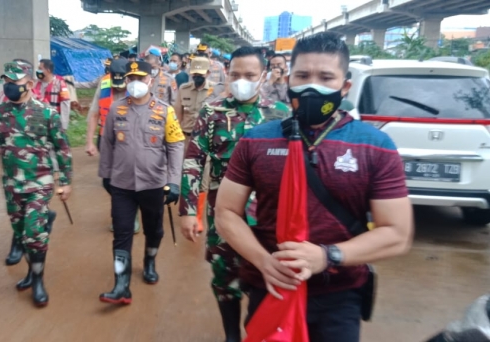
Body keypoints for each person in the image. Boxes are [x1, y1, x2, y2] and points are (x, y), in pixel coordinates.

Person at [215, 32, 414, 341]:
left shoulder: (375, 145)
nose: (312, 86)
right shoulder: (256, 140)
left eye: (325, 77)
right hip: (271, 287)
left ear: (345, 86)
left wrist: (328, 256)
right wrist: (264, 262)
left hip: (339, 296)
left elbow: (397, 234)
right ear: (288, 80)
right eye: (303, 75)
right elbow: (226, 211)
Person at [179, 47, 290, 342]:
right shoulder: (212, 112)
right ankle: (231, 335)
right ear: (227, 75)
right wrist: (189, 211)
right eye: (236, 75)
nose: (242, 81)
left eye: (250, 75)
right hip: (223, 216)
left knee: (265, 277)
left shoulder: (281, 115)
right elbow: (193, 161)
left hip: (266, 217)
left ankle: (258, 331)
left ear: (263, 76)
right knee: (224, 278)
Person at [0, 60, 73, 307]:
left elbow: (62, 148)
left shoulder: (46, 112)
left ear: (28, 83)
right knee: (20, 233)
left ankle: (38, 280)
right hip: (12, 185)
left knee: (33, 233)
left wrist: (66, 181)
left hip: (40, 182)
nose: (8, 86)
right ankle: (31, 270)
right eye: (6, 82)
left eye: (14, 82)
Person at [98, 61, 185, 305]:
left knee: (154, 229)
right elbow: (107, 143)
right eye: (131, 78)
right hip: (122, 184)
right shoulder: (116, 109)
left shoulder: (165, 110)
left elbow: (176, 145)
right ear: (126, 81)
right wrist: (106, 173)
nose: (135, 82)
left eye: (140, 78)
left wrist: (173, 181)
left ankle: (149, 261)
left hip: (154, 183)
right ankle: (121, 284)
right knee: (122, 233)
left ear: (150, 80)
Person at [84, 58, 140, 234]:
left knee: (128, 178)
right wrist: (89, 141)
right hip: (107, 139)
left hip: (130, 140)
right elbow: (94, 114)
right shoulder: (104, 83)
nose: (117, 87)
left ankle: (129, 215)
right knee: (108, 181)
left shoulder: (138, 88)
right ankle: (127, 207)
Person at [173, 56, 225, 233]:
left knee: (202, 180)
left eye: (200, 74)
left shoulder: (216, 91)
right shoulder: (183, 89)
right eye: (194, 73)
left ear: (208, 73)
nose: (197, 77)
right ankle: (186, 212)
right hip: (185, 138)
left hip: (205, 140)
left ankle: (197, 218)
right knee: (184, 175)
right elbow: (177, 115)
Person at [33, 59, 71, 130]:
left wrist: (64, 125)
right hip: (38, 122)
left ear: (48, 70)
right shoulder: (35, 84)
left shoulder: (60, 83)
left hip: (54, 122)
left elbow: (65, 104)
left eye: (40, 68)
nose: (38, 71)